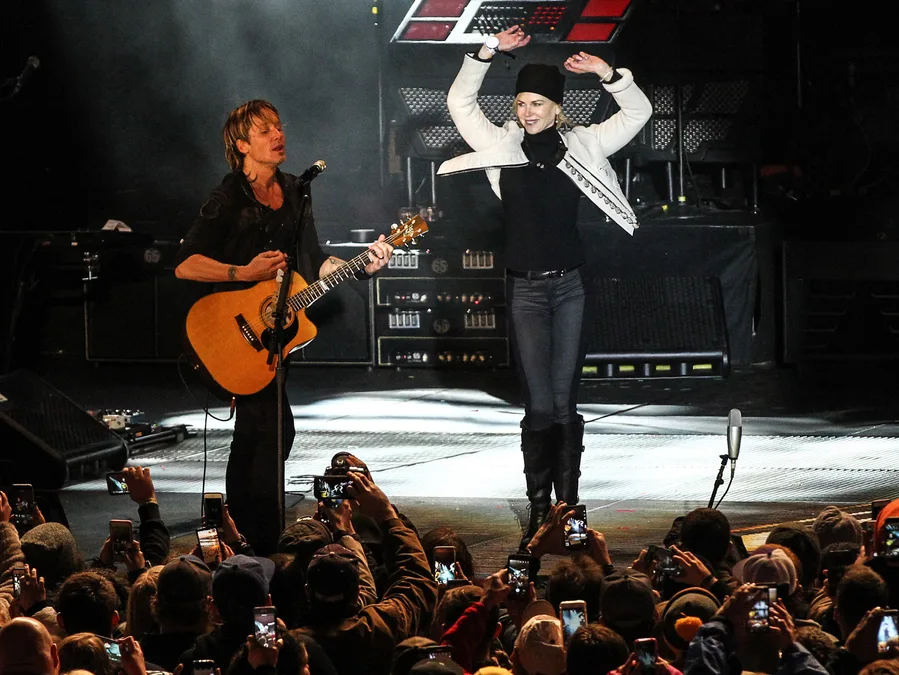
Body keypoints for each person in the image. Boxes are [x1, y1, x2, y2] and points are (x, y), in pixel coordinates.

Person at [437, 26, 652, 550]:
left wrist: (607, 75)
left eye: (537, 103)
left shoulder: (585, 143)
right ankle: (540, 507)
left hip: (571, 287)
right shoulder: (500, 141)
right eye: (521, 103)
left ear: (556, 107)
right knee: (538, 404)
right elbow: (460, 101)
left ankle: (568, 507)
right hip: (526, 291)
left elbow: (637, 114)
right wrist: (486, 53)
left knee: (563, 401)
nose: (528, 111)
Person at [174, 99, 394, 554]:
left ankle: (243, 528)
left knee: (266, 432)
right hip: (234, 332)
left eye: (278, 126)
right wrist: (245, 273)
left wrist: (362, 266)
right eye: (264, 130)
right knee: (269, 429)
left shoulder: (297, 190)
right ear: (241, 145)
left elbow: (313, 261)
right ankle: (257, 536)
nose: (278, 135)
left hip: (276, 335)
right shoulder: (229, 195)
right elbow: (185, 264)